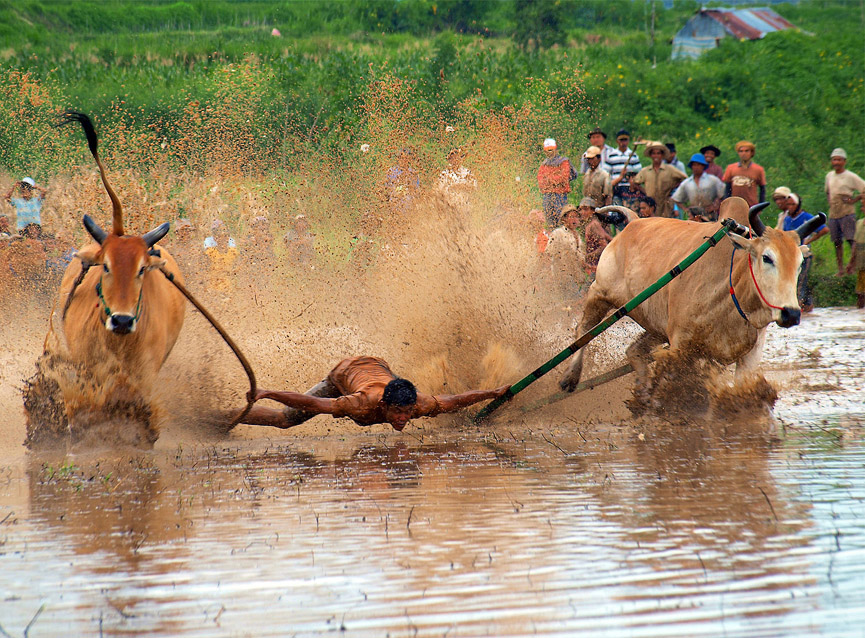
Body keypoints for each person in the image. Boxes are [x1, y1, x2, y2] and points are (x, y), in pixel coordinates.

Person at [238, 356, 511, 432]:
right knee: (286, 420)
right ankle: (228, 416)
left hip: (378, 366)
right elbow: (311, 402)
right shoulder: (357, 404)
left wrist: (493, 392)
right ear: (383, 405)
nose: (404, 418)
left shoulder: (418, 403)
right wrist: (268, 392)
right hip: (344, 374)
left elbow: (457, 399)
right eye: (397, 412)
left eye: (407, 412)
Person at [782, 193, 828, 312]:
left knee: (800, 282)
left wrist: (809, 240)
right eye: (788, 205)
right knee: (797, 281)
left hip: (804, 255)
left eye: (792, 204)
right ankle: (808, 308)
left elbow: (824, 229)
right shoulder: (787, 219)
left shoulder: (806, 217)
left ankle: (798, 309)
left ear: (798, 205)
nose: (790, 207)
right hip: (791, 256)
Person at [824, 148, 865, 277]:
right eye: (834, 159)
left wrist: (854, 200)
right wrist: (830, 202)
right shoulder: (829, 176)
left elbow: (863, 188)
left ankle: (853, 266)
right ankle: (840, 269)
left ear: (844, 161)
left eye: (839, 160)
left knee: (851, 239)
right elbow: (827, 192)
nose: (836, 162)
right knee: (836, 241)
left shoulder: (850, 176)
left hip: (847, 212)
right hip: (834, 212)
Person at [632, 141, 686, 218]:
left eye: (658, 153)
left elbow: (684, 179)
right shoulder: (646, 171)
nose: (656, 156)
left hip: (665, 204)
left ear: (662, 155)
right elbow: (635, 182)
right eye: (654, 153)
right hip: (650, 204)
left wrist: (672, 188)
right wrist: (645, 192)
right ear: (651, 155)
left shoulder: (670, 169)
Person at [671, 153, 725, 221]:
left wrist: (716, 206)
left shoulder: (713, 180)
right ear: (691, 166)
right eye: (694, 165)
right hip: (693, 215)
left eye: (699, 165)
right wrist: (686, 210)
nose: (696, 167)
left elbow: (723, 194)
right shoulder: (687, 183)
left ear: (703, 166)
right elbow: (676, 198)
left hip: (710, 213)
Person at [537, 138, 578, 227]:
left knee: (562, 220)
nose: (550, 152)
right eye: (548, 150)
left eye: (551, 150)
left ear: (555, 149)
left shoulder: (563, 161)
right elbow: (540, 181)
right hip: (547, 196)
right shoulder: (544, 164)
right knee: (550, 222)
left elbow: (563, 178)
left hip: (560, 195)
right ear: (545, 151)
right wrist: (554, 180)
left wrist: (549, 179)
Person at [546, 204, 585, 284]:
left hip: (575, 277)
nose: (575, 220)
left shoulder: (578, 236)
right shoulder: (558, 233)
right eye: (572, 217)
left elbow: (580, 257)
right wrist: (548, 274)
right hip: (560, 276)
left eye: (577, 217)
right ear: (564, 219)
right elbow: (548, 254)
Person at [722, 141, 766, 207]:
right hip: (734, 205)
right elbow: (727, 188)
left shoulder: (758, 169)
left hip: (751, 206)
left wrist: (760, 206)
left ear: (751, 153)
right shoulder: (731, 168)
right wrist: (726, 203)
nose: (743, 153)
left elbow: (762, 189)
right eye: (741, 151)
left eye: (746, 151)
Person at [606, 130, 642, 205]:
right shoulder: (611, 155)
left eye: (625, 140)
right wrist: (619, 177)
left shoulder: (633, 156)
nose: (623, 142)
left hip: (629, 189)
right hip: (616, 188)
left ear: (628, 141)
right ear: (617, 141)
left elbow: (639, 173)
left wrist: (632, 179)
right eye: (621, 140)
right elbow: (606, 173)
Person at [204, 219, 239, 295]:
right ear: (215, 238)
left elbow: (238, 270)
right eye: (219, 236)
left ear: (228, 237)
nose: (222, 239)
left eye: (225, 236)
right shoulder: (210, 253)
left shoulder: (233, 253)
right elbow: (204, 271)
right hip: (213, 289)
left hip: (230, 290)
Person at [578, 198, 612, 273]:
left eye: (585, 209)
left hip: (598, 266)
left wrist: (587, 257)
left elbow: (604, 246)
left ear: (593, 211)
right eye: (580, 209)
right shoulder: (590, 223)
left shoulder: (593, 225)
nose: (582, 212)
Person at [848, 215, 865, 308]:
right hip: (861, 262)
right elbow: (855, 244)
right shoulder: (859, 223)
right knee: (860, 292)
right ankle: (860, 312)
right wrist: (851, 262)